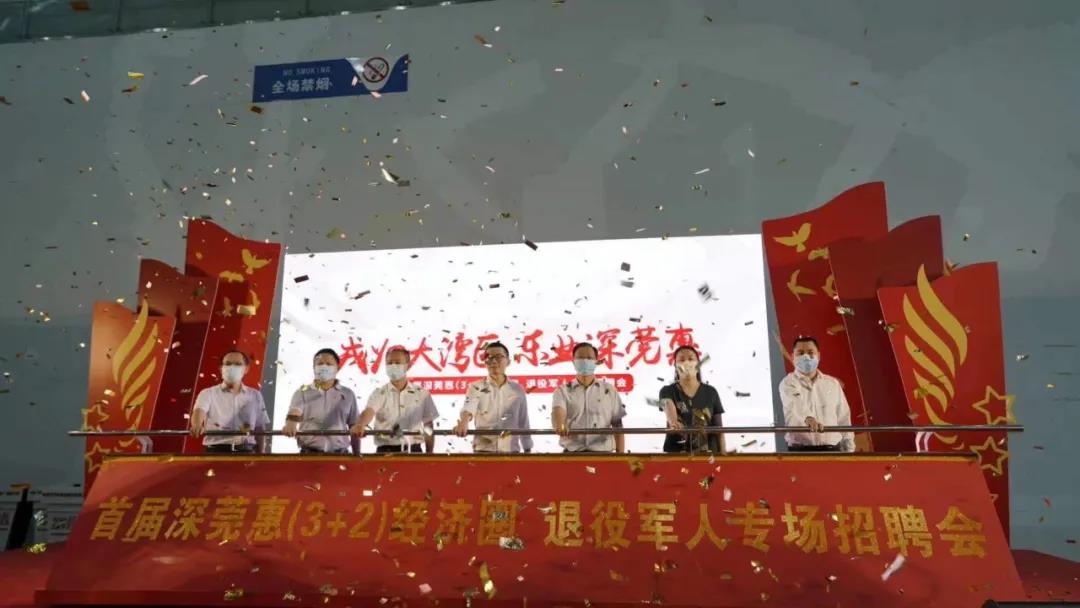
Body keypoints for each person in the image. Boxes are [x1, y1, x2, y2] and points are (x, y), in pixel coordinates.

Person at [351, 347, 438, 453]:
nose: (393, 366)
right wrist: (360, 424)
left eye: (397, 362)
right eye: (389, 363)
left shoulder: (422, 394)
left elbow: (428, 426)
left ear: (408, 365)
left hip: (414, 452)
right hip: (385, 453)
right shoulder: (379, 393)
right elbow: (368, 412)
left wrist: (429, 454)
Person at [452, 341, 532, 453]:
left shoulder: (517, 389)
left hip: (511, 452)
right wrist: (464, 421)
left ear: (508, 361)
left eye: (499, 357)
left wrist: (527, 448)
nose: (493, 361)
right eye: (489, 357)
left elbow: (523, 420)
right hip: (483, 452)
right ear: (485, 362)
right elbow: (469, 406)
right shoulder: (476, 387)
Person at [780, 336, 855, 452]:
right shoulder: (788, 383)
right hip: (800, 451)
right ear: (793, 356)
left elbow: (843, 416)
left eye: (810, 352)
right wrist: (809, 419)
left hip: (833, 450)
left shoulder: (832, 384)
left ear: (818, 356)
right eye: (800, 353)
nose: (806, 357)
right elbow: (795, 404)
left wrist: (849, 447)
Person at [189, 350, 270, 454]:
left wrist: (261, 454)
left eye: (238, 364)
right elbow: (199, 411)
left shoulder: (255, 395)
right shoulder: (208, 393)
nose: (232, 367)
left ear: (246, 369)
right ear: (221, 368)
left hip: (247, 451)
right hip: (215, 452)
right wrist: (197, 424)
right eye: (228, 364)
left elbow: (259, 427)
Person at [283, 348, 361, 455]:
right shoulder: (302, 392)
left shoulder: (348, 394)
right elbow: (295, 412)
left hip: (341, 455)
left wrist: (357, 454)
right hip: (309, 454)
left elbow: (354, 426)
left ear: (337, 368)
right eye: (320, 364)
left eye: (329, 364)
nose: (324, 367)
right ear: (314, 368)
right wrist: (290, 424)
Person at [552, 342, 626, 453]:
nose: (585, 361)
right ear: (573, 362)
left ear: (596, 361)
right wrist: (560, 425)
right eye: (580, 358)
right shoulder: (563, 390)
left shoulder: (609, 390)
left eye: (589, 358)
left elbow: (618, 425)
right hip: (572, 455)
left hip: (604, 455)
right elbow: (558, 412)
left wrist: (621, 456)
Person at [660, 345, 724, 454]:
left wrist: (723, 454)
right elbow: (667, 405)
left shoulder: (711, 392)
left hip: (709, 456)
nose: (686, 363)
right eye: (681, 360)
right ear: (675, 365)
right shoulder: (666, 390)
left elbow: (719, 429)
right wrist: (673, 422)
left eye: (691, 359)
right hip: (677, 455)